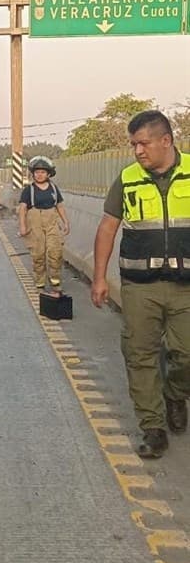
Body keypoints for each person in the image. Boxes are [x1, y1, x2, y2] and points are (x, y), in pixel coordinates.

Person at [91, 109, 190, 459]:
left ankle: (176, 394)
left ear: (166, 141)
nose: (137, 151)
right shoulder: (128, 178)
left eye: (143, 143)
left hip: (185, 287)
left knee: (186, 355)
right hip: (139, 286)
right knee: (139, 355)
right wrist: (100, 277)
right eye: (133, 144)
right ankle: (153, 427)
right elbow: (107, 226)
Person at [18, 156, 70, 292]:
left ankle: (55, 282)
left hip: (51, 222)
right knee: (38, 254)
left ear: (48, 174)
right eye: (37, 172)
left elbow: (59, 206)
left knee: (55, 252)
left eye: (42, 172)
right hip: (35, 223)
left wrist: (65, 222)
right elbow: (23, 209)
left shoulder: (53, 188)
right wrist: (23, 226)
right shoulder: (28, 190)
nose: (39, 175)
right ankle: (40, 282)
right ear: (33, 174)